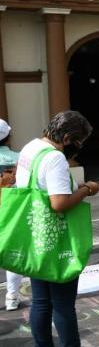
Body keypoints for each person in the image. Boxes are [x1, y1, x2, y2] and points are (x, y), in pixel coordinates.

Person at [14, 111, 99, 347]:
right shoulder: (54, 158)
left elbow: (33, 186)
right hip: (55, 240)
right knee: (64, 304)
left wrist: (73, 184)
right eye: (78, 143)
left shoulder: (31, 148)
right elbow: (59, 203)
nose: (78, 149)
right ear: (67, 139)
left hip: (35, 236)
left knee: (41, 302)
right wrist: (86, 190)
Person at [0, 118, 23, 311]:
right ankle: (12, 297)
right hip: (11, 212)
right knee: (13, 255)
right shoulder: (19, 157)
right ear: (8, 137)